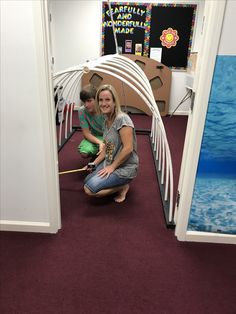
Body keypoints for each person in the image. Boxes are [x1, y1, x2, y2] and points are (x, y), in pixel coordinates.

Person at [84, 84, 139, 203]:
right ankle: (116, 183)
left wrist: (112, 167)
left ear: (114, 101)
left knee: (90, 190)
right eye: (100, 100)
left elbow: (128, 148)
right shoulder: (106, 121)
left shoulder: (122, 119)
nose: (104, 103)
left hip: (125, 167)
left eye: (108, 99)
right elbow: (107, 148)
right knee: (86, 181)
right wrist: (93, 163)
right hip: (111, 161)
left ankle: (123, 186)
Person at [78, 85, 105, 158]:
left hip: (108, 137)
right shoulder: (82, 111)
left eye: (89, 101)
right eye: (84, 101)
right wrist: (99, 143)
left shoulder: (105, 109)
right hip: (95, 137)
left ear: (96, 99)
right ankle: (98, 152)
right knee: (84, 152)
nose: (86, 105)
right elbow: (86, 133)